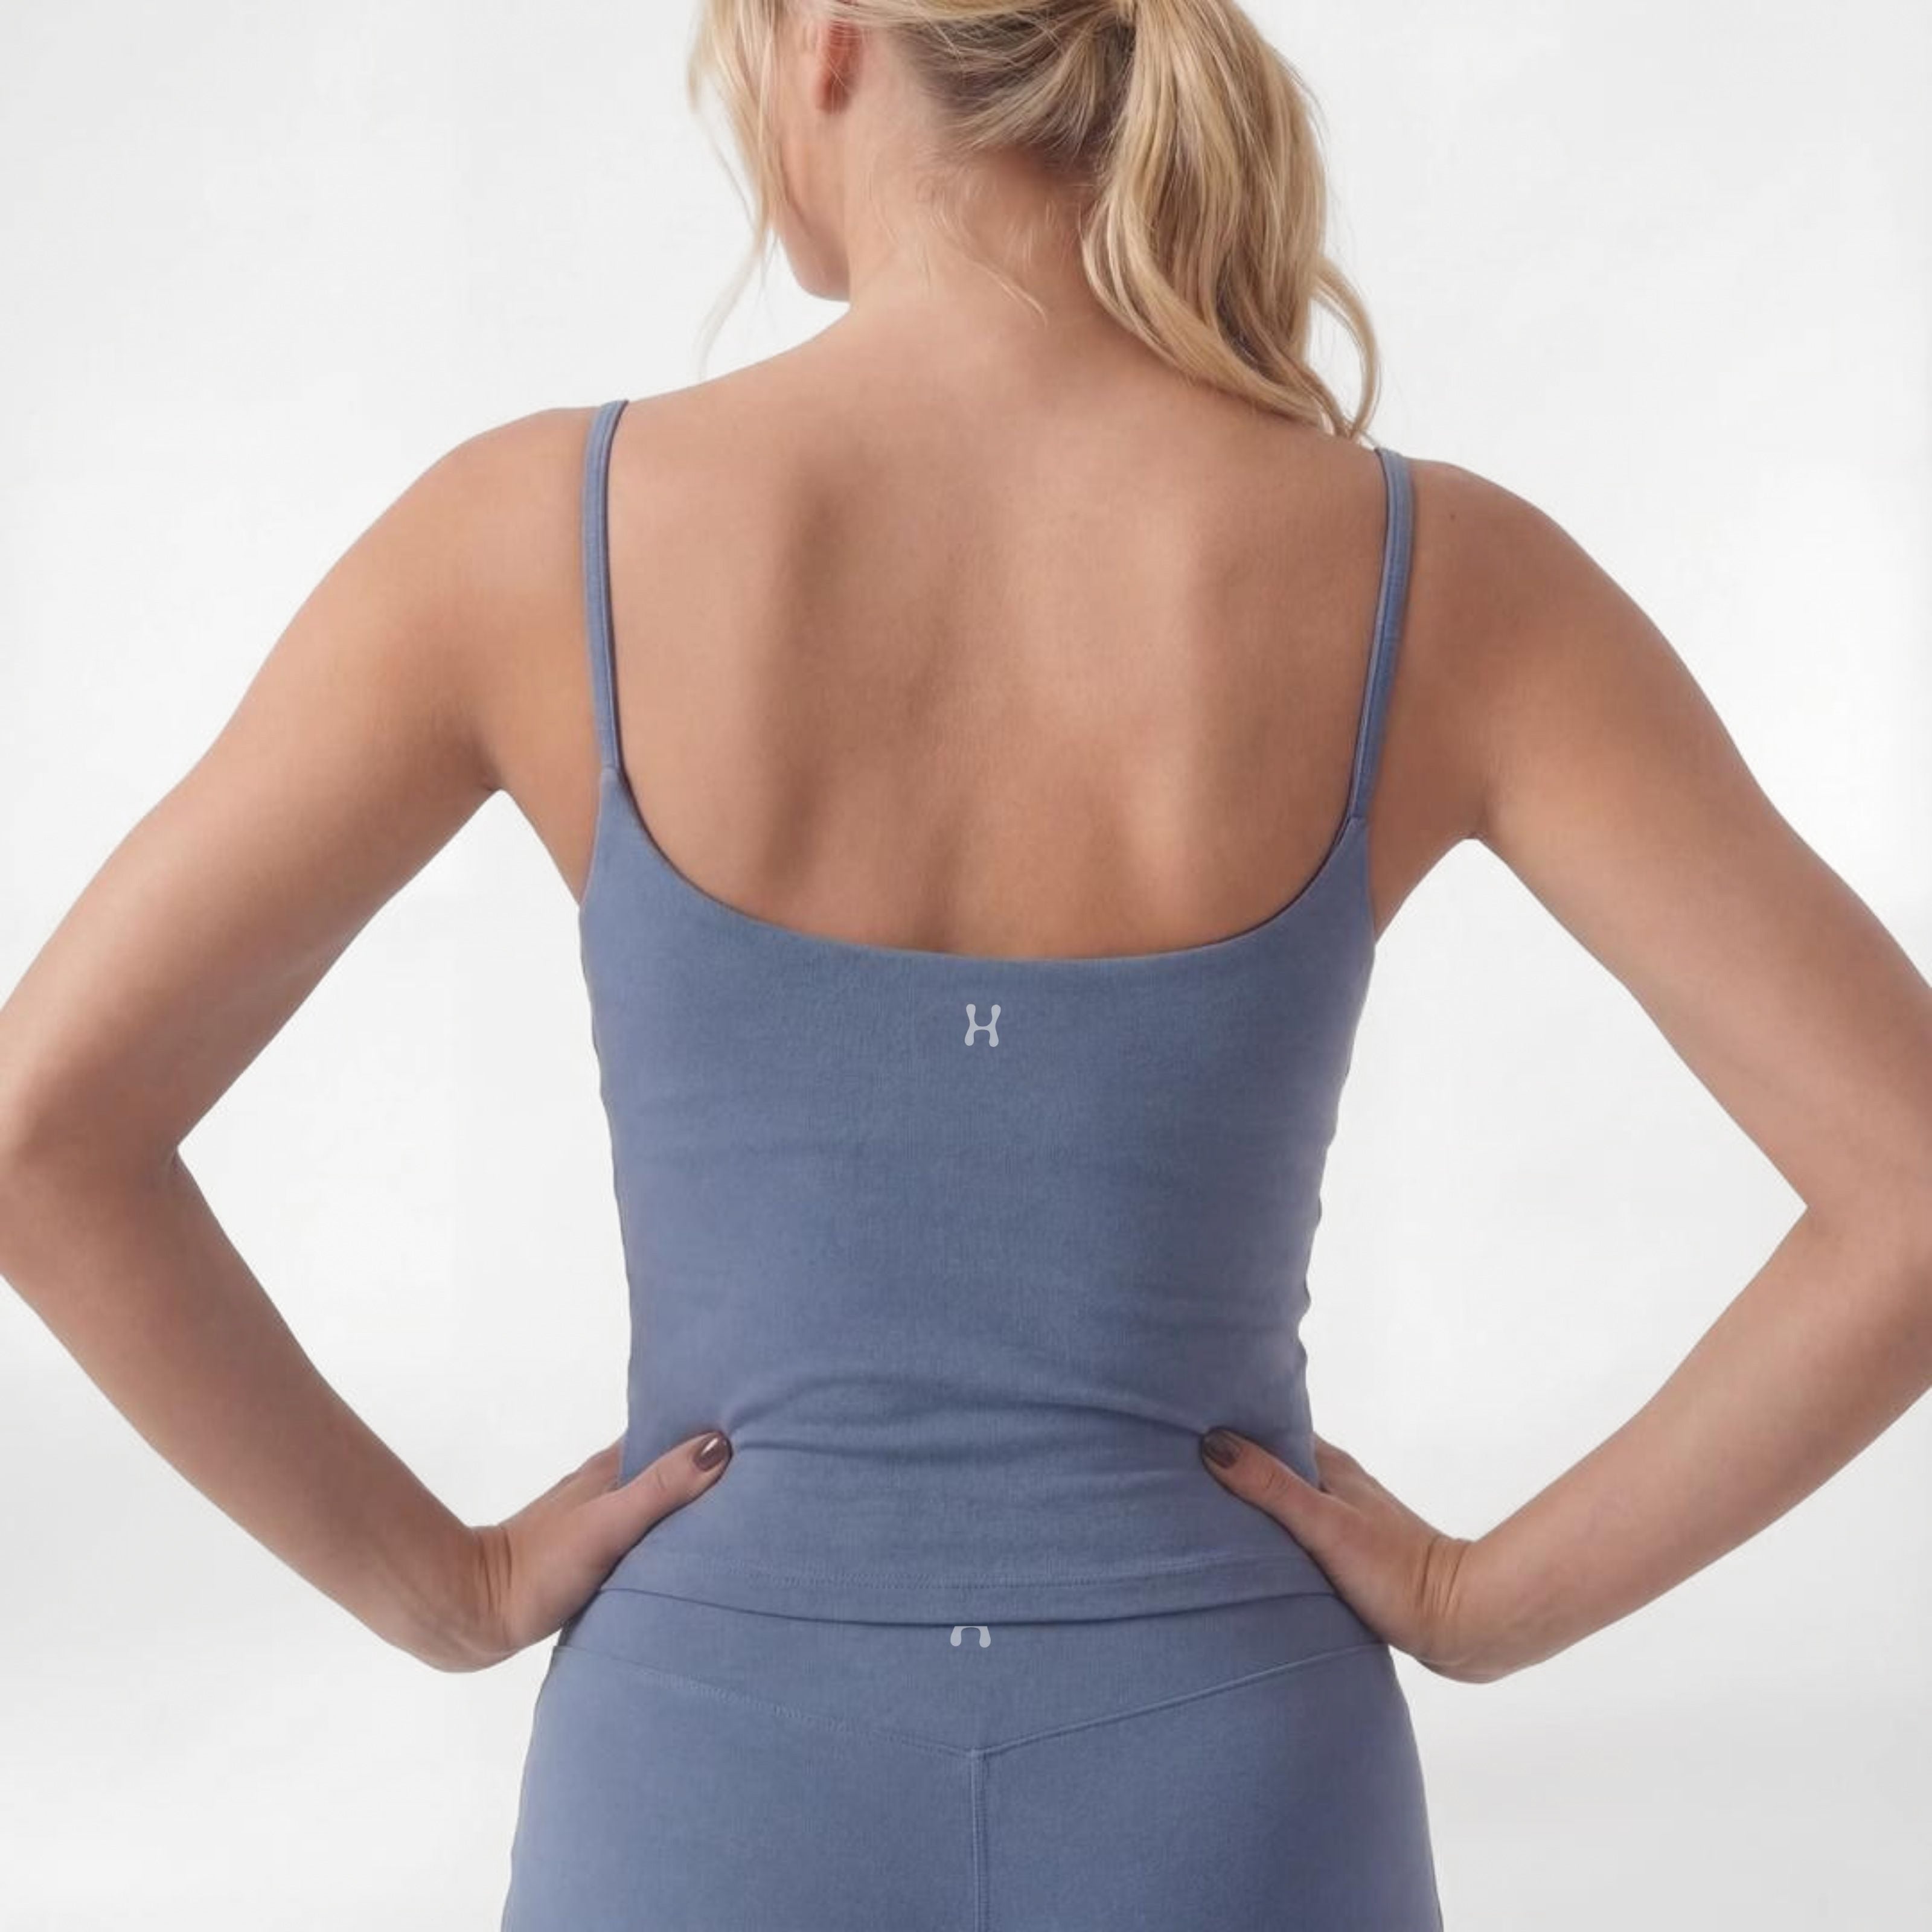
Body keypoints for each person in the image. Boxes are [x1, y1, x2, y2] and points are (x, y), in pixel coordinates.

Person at [2, 1, 1929, 1927]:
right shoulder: (1442, 576)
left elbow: (40, 1136)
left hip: (704, 1787)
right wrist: (1480, 1606)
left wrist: (447, 1591)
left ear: (832, 43)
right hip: (1236, 1789)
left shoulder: (527, 542)